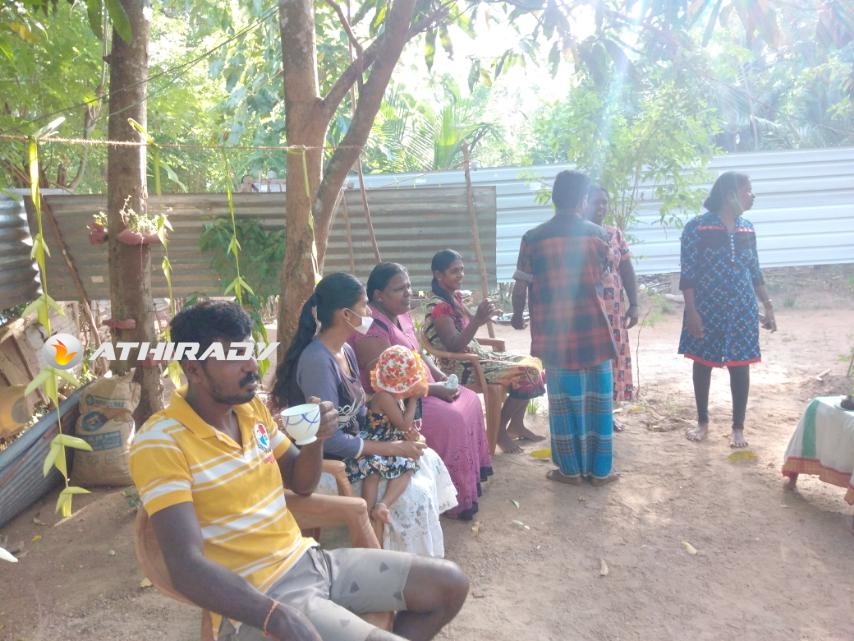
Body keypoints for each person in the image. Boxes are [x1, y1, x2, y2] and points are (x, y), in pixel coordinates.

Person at [128, 300, 468, 641]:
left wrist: (316, 438)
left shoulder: (249, 410)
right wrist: (274, 615)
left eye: (251, 352)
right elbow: (186, 567)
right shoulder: (161, 442)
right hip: (260, 595)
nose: (252, 366)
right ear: (194, 370)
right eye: (234, 357)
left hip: (310, 561)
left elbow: (301, 483)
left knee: (450, 585)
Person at [272, 273, 458, 557]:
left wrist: (393, 422)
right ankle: (389, 562)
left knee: (425, 457)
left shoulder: (345, 350)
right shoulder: (318, 361)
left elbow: (359, 409)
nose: (369, 312)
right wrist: (392, 447)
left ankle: (400, 558)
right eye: (363, 305)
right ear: (346, 314)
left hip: (356, 449)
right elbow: (329, 439)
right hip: (327, 465)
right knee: (412, 494)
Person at [351, 262, 493, 521]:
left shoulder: (403, 316)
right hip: (396, 403)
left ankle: (468, 485)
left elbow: (418, 351)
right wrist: (431, 389)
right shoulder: (371, 329)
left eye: (408, 286)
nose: (408, 293)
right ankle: (453, 500)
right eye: (399, 289)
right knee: (453, 418)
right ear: (378, 295)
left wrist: (438, 375)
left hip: (421, 388)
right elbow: (386, 382)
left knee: (470, 399)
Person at [511, 170, 619, 486]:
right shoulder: (599, 235)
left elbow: (520, 287)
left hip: (554, 335)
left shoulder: (533, 238)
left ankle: (569, 471)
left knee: (563, 404)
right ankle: (600, 472)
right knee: (599, 403)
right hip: (593, 330)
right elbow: (606, 275)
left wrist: (517, 316)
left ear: (555, 198)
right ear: (583, 200)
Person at [678, 171, 777, 449]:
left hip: (742, 308)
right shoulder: (697, 228)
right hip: (706, 307)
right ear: (729, 194)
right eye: (747, 190)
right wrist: (692, 311)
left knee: (740, 365)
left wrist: (768, 305)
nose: (752, 195)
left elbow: (755, 271)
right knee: (703, 362)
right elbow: (688, 273)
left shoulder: (747, 228)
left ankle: (737, 429)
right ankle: (702, 422)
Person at [424, 250, 547, 454]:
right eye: (454, 271)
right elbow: (454, 345)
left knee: (534, 362)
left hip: (479, 357)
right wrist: (478, 320)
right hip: (462, 366)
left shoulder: (453, 298)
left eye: (462, 270)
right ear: (438, 275)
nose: (460, 275)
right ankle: (498, 431)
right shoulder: (438, 307)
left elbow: (471, 321)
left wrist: (486, 315)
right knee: (528, 373)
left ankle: (516, 425)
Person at [351, 345, 430, 536]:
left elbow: (404, 429)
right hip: (376, 441)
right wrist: (413, 400)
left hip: (390, 439)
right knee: (372, 472)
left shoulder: (395, 396)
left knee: (408, 467)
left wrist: (412, 435)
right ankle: (365, 518)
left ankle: (383, 505)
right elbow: (403, 424)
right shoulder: (384, 397)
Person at [584, 186, 639, 430]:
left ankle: (606, 413)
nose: (601, 207)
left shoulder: (614, 233)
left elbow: (626, 268)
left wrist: (634, 303)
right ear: (583, 203)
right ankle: (588, 413)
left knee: (612, 358)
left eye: (604, 202)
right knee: (590, 359)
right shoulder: (576, 235)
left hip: (613, 310)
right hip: (588, 309)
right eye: (595, 202)